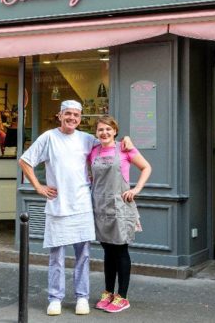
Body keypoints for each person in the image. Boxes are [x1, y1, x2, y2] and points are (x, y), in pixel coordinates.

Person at [18, 100, 132, 316]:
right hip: (58, 206)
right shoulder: (49, 137)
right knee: (57, 256)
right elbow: (25, 161)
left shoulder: (87, 139)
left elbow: (109, 142)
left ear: (80, 118)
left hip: (82, 205)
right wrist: (39, 187)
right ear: (59, 115)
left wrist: (125, 139)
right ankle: (55, 298)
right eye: (68, 114)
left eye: (76, 115)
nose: (72, 118)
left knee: (83, 256)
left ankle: (82, 297)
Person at [88, 115, 151, 313]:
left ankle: (122, 296)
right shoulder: (93, 151)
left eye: (108, 129)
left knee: (121, 251)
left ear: (115, 131)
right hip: (100, 205)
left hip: (120, 206)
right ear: (96, 133)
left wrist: (136, 190)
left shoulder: (124, 148)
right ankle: (108, 292)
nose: (104, 133)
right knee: (108, 252)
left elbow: (146, 167)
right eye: (100, 130)